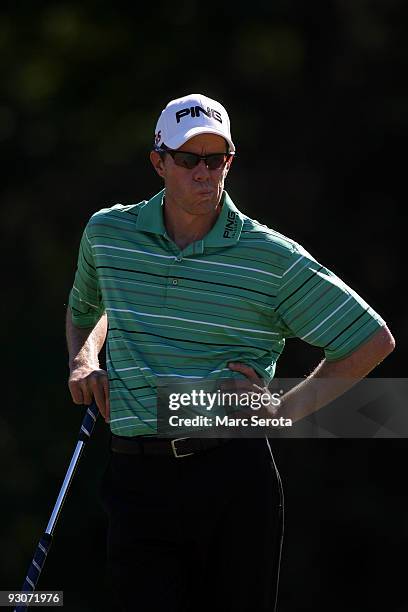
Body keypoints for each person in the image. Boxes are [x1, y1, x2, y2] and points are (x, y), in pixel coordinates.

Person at [66, 93, 395, 612]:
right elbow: (88, 307)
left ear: (229, 161)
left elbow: (371, 339)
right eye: (188, 158)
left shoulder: (270, 257)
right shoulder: (108, 234)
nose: (204, 172)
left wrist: (287, 409)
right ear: (159, 162)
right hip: (136, 479)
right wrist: (84, 360)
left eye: (215, 159)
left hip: (232, 478)